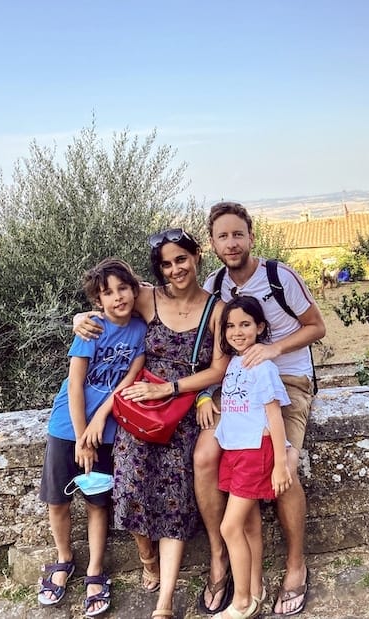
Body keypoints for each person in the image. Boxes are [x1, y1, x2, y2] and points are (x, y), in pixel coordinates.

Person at [75, 229, 228, 619]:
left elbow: (219, 367)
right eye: (166, 263)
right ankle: (146, 557)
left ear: (196, 257)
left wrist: (173, 389)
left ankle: (164, 605)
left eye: (181, 259)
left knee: (175, 498)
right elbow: (111, 304)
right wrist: (81, 318)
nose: (175, 268)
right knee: (128, 487)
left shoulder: (217, 309)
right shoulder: (148, 296)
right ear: (158, 269)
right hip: (140, 411)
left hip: (183, 410)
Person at [195, 201, 325, 616]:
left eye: (238, 234)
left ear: (251, 237)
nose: (231, 243)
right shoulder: (215, 286)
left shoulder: (278, 276)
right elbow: (156, 299)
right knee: (203, 457)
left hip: (284, 380)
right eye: (222, 236)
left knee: (282, 464)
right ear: (212, 243)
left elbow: (316, 326)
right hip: (235, 383)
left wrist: (271, 349)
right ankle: (223, 559)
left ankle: (295, 565)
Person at [38, 258, 147, 618]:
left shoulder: (141, 329)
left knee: (98, 500)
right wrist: (82, 434)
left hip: (108, 430)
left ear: (134, 289)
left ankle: (96, 569)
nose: (118, 297)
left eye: (123, 288)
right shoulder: (91, 328)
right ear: (98, 301)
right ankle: (64, 558)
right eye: (108, 293)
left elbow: (127, 383)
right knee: (59, 500)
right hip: (67, 427)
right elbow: (74, 384)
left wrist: (96, 429)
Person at [212, 295, 293, 619]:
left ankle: (242, 602)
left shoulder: (263, 366)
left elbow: (274, 416)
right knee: (248, 526)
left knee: (229, 527)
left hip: (254, 452)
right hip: (234, 450)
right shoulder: (234, 362)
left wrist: (279, 464)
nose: (237, 331)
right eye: (230, 325)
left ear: (259, 327)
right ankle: (255, 591)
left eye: (245, 324)